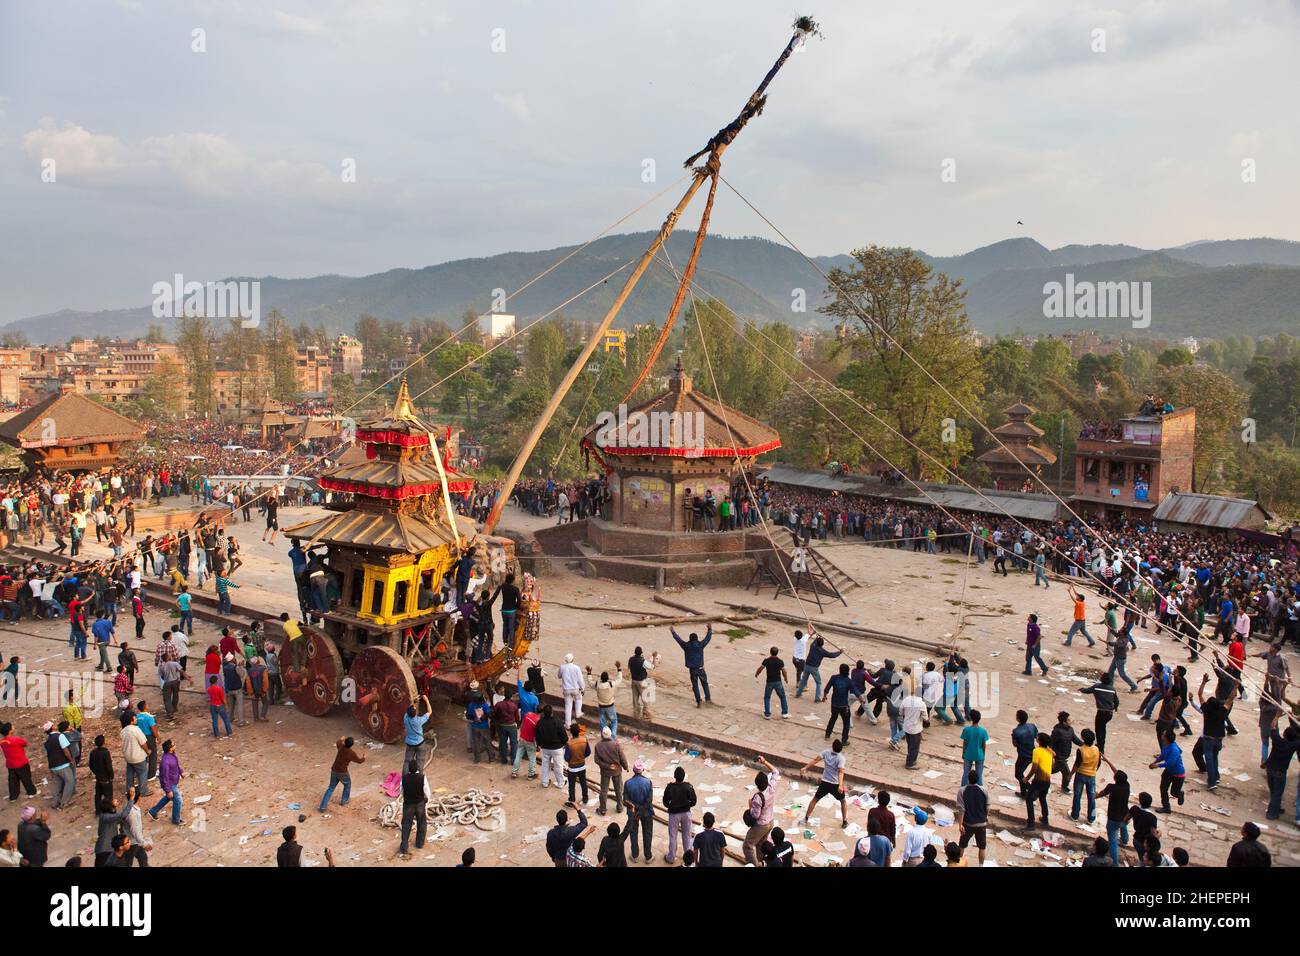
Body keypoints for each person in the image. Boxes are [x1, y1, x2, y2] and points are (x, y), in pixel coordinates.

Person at [801, 738, 849, 829]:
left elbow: (815, 760)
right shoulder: (841, 758)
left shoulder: (826, 752)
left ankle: (806, 818)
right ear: (841, 749)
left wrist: (805, 768)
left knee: (815, 799)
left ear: (832, 746)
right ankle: (845, 821)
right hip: (834, 784)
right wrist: (840, 785)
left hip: (825, 782)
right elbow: (841, 772)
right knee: (843, 801)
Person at [742, 755, 780, 866]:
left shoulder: (758, 798)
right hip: (770, 821)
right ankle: (760, 861)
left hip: (761, 824)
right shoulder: (771, 787)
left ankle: (755, 865)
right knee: (760, 843)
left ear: (757, 785)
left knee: (748, 845)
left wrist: (750, 806)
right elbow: (775, 772)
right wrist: (764, 762)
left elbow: (755, 815)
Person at [670, 624, 713, 707]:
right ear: (697, 639)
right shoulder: (700, 645)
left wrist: (673, 632)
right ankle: (708, 699)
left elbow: (679, 640)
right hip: (700, 668)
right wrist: (710, 629)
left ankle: (698, 701)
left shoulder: (686, 646)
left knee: (695, 685)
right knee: (704, 683)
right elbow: (708, 638)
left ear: (689, 639)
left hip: (692, 670)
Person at [663, 765, 697, 865]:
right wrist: (687, 805)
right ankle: (688, 858)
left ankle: (671, 858)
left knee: (673, 836)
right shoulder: (688, 787)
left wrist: (672, 806)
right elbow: (694, 801)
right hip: (686, 813)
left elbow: (665, 802)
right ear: (683, 776)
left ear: (675, 776)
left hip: (674, 814)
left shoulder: (670, 787)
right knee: (687, 835)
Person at [622, 759, 654, 863]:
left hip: (633, 813)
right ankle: (648, 857)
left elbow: (625, 800)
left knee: (633, 833)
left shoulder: (627, 783)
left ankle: (635, 855)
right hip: (646, 812)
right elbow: (649, 800)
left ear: (633, 770)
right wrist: (641, 810)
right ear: (642, 770)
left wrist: (636, 809)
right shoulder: (648, 782)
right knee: (647, 833)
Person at [320, 736, 364, 812]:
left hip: (334, 770)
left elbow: (338, 742)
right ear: (352, 745)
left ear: (345, 743)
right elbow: (359, 761)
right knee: (347, 784)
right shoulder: (351, 753)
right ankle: (344, 800)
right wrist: (364, 757)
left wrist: (341, 739)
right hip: (342, 772)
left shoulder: (341, 747)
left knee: (330, 788)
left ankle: (322, 807)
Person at [954, 769, 989, 865]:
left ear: (968, 779)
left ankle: (958, 864)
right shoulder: (984, 790)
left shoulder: (962, 790)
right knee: (982, 847)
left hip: (968, 824)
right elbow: (987, 807)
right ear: (978, 779)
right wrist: (985, 817)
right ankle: (981, 865)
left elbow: (961, 810)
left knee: (962, 845)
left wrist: (960, 825)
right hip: (981, 824)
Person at [1098, 769, 1131, 865]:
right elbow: (1117, 772)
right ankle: (1125, 840)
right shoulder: (1127, 786)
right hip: (1125, 815)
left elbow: (1102, 793)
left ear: (1115, 778)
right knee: (1123, 825)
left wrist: (1095, 797)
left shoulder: (1111, 787)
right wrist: (1107, 761)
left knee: (1113, 842)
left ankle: (1115, 864)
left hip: (1113, 818)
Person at [796, 634, 842, 702]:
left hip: (807, 665)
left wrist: (818, 637)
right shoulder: (822, 651)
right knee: (818, 682)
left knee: (803, 680)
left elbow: (814, 642)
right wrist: (840, 652)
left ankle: (798, 693)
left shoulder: (812, 646)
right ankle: (817, 698)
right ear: (822, 645)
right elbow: (832, 655)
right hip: (814, 668)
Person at [1081, 673, 1119, 753]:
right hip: (1109, 713)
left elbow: (1087, 691)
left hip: (1101, 712)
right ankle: (1101, 745)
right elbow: (1116, 701)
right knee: (1103, 729)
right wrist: (1115, 708)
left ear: (1101, 679)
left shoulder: (1097, 687)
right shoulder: (1112, 689)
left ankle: (1101, 748)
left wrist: (1081, 689)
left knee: (1099, 730)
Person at [1150, 728, 1186, 813]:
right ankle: (1166, 807)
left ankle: (1179, 794)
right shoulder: (1165, 744)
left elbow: (1171, 763)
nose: (1162, 735)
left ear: (1166, 738)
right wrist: (1155, 761)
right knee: (1163, 788)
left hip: (1178, 773)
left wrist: (1157, 765)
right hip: (1168, 771)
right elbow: (1163, 755)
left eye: (1163, 734)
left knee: (1174, 793)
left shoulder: (1174, 749)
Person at [148, 740, 184, 825]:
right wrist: (168, 790)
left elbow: (177, 765)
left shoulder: (172, 755)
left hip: (173, 782)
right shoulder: (165, 762)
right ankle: (176, 819)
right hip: (170, 784)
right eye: (174, 745)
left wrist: (181, 772)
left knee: (169, 797)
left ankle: (153, 811)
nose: (175, 745)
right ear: (170, 748)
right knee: (178, 801)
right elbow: (164, 777)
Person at [1070, 728, 1102, 823]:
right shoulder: (1096, 749)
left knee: (1077, 795)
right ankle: (1091, 818)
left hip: (1080, 774)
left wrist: (1071, 774)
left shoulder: (1081, 750)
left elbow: (1077, 764)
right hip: (1091, 775)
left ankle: (1075, 815)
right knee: (1091, 798)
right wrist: (1094, 770)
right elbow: (1098, 762)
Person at [1024, 732, 1053, 831]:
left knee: (1029, 799)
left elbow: (1034, 768)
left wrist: (1026, 778)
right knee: (1042, 798)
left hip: (1039, 780)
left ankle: (1031, 823)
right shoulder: (1050, 752)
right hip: (1047, 780)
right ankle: (1045, 818)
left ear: (1039, 741)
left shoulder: (1037, 751)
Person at [398, 759, 427, 859]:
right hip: (419, 803)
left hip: (408, 804)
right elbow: (426, 791)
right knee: (421, 824)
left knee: (406, 825)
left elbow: (401, 791)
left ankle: (404, 847)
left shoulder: (404, 778)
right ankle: (419, 843)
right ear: (418, 768)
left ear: (409, 769)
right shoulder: (422, 778)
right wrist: (426, 799)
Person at [1, 722, 36, 801]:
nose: (13, 727)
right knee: (26, 778)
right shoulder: (16, 739)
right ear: (9, 731)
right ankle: (31, 792)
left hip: (10, 764)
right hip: (21, 762)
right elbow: (25, 743)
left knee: (13, 780)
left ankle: (13, 796)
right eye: (12, 726)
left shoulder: (2, 741)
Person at [46, 721, 76, 810]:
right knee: (70, 781)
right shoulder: (60, 736)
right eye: (53, 725)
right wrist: (71, 760)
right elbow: (65, 750)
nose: (55, 725)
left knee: (56, 784)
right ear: (52, 728)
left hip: (53, 766)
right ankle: (64, 802)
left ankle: (55, 802)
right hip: (62, 765)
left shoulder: (48, 739)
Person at [755, 646, 790, 720]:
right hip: (778, 682)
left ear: (770, 652)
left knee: (767, 697)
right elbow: (784, 671)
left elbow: (760, 668)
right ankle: (785, 713)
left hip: (769, 682)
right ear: (777, 653)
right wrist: (785, 678)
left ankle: (767, 714)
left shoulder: (766, 660)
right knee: (782, 697)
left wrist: (757, 674)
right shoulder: (780, 661)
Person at [824, 662, 855, 745]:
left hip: (834, 704)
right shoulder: (849, 681)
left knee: (833, 718)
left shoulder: (834, 678)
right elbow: (855, 691)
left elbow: (827, 688)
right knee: (846, 723)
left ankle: (827, 734)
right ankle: (844, 740)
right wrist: (861, 698)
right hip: (843, 705)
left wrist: (824, 696)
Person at [562, 722, 590, 808]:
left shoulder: (569, 744)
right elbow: (588, 752)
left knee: (572, 785)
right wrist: (581, 757)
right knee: (583, 782)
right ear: (579, 731)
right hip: (582, 765)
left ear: (571, 732)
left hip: (572, 768)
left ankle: (572, 800)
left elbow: (566, 758)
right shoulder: (584, 740)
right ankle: (585, 798)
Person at [402, 694, 432, 769]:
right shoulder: (419, 721)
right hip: (420, 743)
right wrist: (426, 700)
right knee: (420, 762)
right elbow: (430, 711)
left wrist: (414, 701)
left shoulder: (405, 717)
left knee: (407, 761)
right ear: (415, 713)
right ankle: (419, 778)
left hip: (409, 743)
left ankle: (405, 778)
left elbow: (409, 709)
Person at [960, 709, 989, 785]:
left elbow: (965, 743)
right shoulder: (983, 731)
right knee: (979, 775)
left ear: (971, 718)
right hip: (979, 755)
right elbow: (984, 745)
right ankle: (979, 789)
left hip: (968, 754)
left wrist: (963, 753)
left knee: (966, 773)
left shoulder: (966, 730)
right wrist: (983, 755)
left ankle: (963, 788)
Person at [557, 653, 585, 725]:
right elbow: (580, 680)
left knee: (568, 706)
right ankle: (578, 712)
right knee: (578, 699)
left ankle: (568, 724)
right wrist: (582, 688)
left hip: (566, 689)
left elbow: (559, 676)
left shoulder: (562, 667)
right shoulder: (576, 668)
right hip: (575, 688)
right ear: (573, 659)